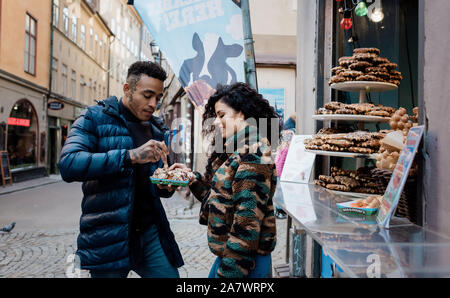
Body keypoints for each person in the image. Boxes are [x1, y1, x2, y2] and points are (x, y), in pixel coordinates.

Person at [58, 61, 183, 278]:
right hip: (109, 235)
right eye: (147, 95)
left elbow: (158, 187)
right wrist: (130, 156)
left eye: (158, 98)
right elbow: (69, 164)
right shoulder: (94, 117)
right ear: (127, 89)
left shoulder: (156, 128)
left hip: (149, 232)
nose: (154, 103)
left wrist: (167, 184)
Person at [171, 83, 280, 278]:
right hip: (233, 256)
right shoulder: (236, 149)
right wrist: (192, 179)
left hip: (244, 262)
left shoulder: (252, 154)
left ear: (242, 114)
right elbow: (221, 199)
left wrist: (228, 274)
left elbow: (246, 224)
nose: (215, 122)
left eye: (221, 115)